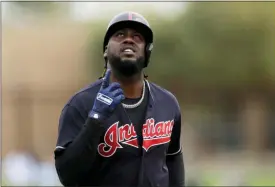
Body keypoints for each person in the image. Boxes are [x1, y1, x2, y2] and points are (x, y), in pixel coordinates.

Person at [54, 11, 185, 187]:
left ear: (147, 52)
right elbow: (68, 175)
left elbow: (173, 158)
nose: (129, 40)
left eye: (137, 37)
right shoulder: (81, 104)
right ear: (105, 51)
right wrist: (95, 121)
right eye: (119, 35)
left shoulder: (168, 102)